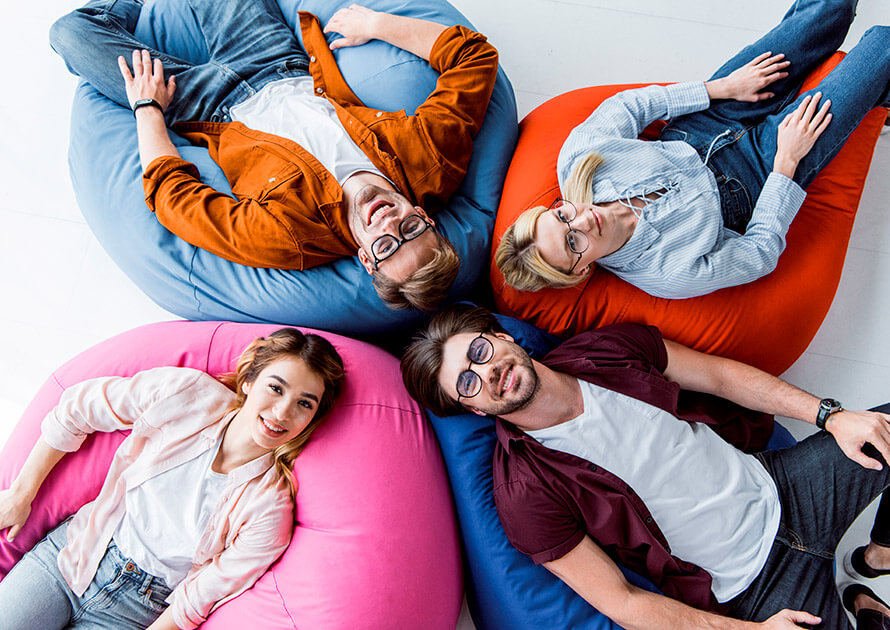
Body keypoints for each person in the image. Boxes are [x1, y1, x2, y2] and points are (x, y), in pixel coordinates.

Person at [401, 303, 890, 628]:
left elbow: (719, 377)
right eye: (467, 382)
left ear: (502, 337)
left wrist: (831, 416)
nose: (487, 372)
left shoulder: (607, 348)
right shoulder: (523, 494)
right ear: (475, 410)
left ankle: (877, 556)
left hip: (786, 487)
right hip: (754, 590)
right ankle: (867, 612)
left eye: (479, 352)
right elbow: (622, 602)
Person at [49, 1, 500, 311]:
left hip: (204, 106)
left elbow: (176, 201)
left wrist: (147, 107)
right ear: (425, 217)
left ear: (366, 258)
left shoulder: (291, 238)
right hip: (274, 60)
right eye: (410, 229)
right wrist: (377, 25)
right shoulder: (430, 160)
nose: (387, 223)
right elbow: (474, 57)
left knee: (69, 33)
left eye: (385, 245)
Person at [496, 0, 889, 299]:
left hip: (710, 117)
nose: (582, 221)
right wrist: (787, 164)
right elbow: (758, 255)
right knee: (882, 47)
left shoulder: (579, 161)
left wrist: (723, 88)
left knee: (827, 12)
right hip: (762, 171)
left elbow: (630, 107)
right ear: (580, 271)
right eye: (572, 243)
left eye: (561, 216)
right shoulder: (666, 273)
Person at [0, 328, 344, 629]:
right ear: (249, 381)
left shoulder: (271, 507)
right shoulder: (189, 395)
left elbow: (198, 597)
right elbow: (78, 407)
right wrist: (21, 493)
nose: (282, 412)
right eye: (276, 388)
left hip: (137, 609)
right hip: (74, 554)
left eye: (304, 404)